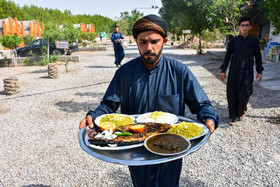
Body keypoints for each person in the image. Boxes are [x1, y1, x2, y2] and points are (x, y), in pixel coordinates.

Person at [80, 14, 220, 187]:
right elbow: (109, 105)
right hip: (135, 148)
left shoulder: (179, 72)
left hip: (170, 148)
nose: (149, 47)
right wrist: (94, 116)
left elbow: (201, 104)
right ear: (136, 42)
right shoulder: (124, 73)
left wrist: (209, 117)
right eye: (143, 42)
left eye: (155, 41)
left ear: (165, 41)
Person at [220, 16, 264, 125]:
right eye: (243, 25)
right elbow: (227, 56)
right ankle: (232, 116)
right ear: (239, 27)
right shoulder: (233, 41)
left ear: (250, 27)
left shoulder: (253, 41)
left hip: (247, 72)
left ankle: (242, 109)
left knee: (245, 93)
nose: (244, 27)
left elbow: (258, 56)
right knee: (232, 94)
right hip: (234, 71)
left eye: (247, 25)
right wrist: (223, 70)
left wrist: (259, 71)